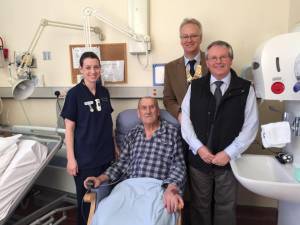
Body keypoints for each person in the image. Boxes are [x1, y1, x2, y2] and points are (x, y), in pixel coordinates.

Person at [181, 40, 259, 225]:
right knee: (200, 206)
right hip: (200, 160)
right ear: (206, 62)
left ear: (231, 60)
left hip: (229, 162)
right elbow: (185, 121)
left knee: (226, 206)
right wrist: (199, 148)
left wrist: (229, 153)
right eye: (213, 58)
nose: (218, 61)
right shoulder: (195, 86)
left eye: (223, 57)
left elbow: (251, 126)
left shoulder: (245, 89)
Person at [84, 97, 186, 225]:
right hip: (128, 187)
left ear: (158, 111)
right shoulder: (132, 134)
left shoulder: (171, 132)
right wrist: (100, 179)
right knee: (104, 216)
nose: (148, 111)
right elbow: (120, 164)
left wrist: (171, 188)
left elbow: (179, 165)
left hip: (157, 188)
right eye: (144, 108)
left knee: (153, 221)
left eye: (152, 107)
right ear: (139, 113)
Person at [61, 52, 115, 225]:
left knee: (105, 200)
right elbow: (69, 129)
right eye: (88, 67)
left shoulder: (104, 92)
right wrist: (71, 159)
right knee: (86, 205)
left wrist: (116, 148)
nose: (93, 71)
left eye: (96, 67)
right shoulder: (74, 95)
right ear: (81, 70)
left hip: (106, 156)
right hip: (85, 159)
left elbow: (108, 123)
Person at [163, 18, 208, 122]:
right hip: (184, 124)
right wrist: (179, 114)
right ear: (181, 40)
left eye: (193, 36)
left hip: (210, 124)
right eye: (185, 36)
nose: (189, 40)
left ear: (201, 38)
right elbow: (168, 99)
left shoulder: (213, 62)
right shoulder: (170, 68)